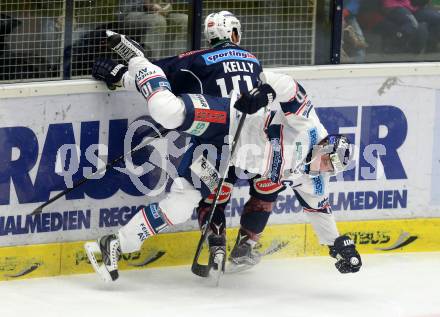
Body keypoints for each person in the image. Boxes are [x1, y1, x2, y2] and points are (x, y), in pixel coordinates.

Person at [87, 47, 362, 281]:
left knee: (182, 204)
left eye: (331, 168)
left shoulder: (314, 180)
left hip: (222, 155)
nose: (325, 166)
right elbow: (289, 87)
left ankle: (117, 242)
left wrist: (339, 245)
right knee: (167, 112)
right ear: (326, 145)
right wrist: (264, 94)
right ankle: (139, 62)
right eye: (329, 158)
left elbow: (321, 214)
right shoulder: (310, 126)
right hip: (228, 117)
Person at [95, 11, 276, 272]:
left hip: (214, 135)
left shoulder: (197, 59)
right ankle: (243, 244)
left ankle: (118, 242)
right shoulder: (254, 60)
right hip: (246, 142)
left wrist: (120, 75)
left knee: (183, 200)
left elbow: (159, 76)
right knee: (260, 187)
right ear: (234, 33)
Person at [118, 0, 188, 58]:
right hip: (130, 14)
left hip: (160, 14)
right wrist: (145, 5)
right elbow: (125, 8)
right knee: (158, 21)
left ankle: (172, 62)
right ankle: (151, 64)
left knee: (184, 20)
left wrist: (167, 5)